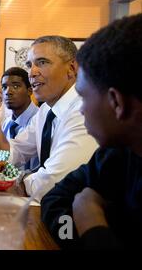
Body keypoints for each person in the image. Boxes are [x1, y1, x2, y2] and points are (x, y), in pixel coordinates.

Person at [41, 14, 142, 249]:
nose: (82, 109)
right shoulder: (116, 155)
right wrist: (78, 236)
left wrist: (90, 222)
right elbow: (54, 200)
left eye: (84, 96)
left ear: (116, 102)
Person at [0, 36, 98, 202]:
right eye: (30, 65)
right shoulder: (45, 111)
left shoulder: (84, 111)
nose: (32, 72)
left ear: (72, 68)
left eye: (42, 62)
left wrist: (20, 183)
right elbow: (11, 153)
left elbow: (53, 180)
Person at [0, 67, 38, 143]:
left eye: (15, 86)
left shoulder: (39, 120)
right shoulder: (8, 122)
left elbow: (13, 152)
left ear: (29, 91)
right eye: (4, 87)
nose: (8, 92)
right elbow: (2, 153)